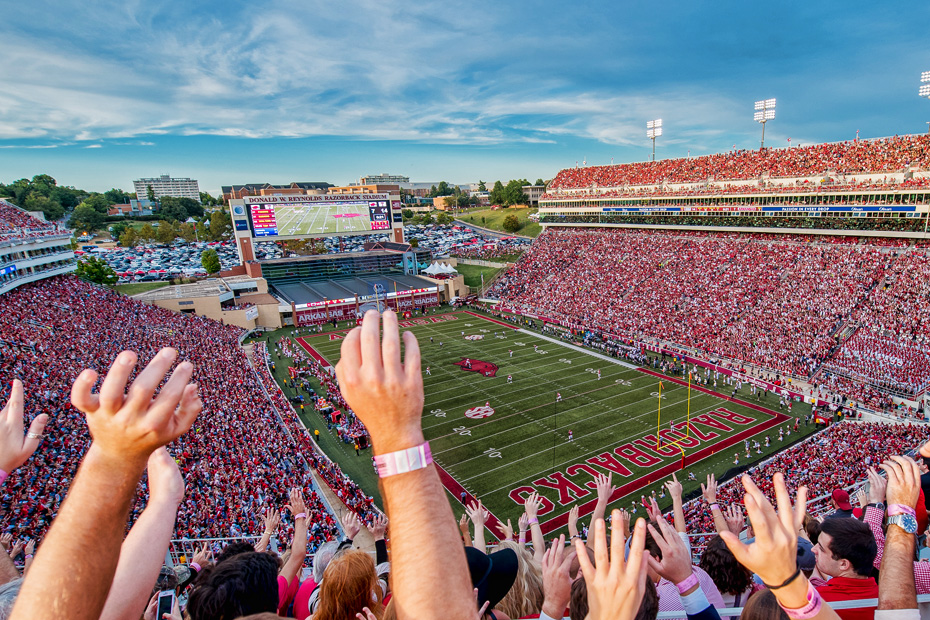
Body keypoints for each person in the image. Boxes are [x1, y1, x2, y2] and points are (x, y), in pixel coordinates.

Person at [810, 517, 878, 620]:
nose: (813, 549)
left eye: (821, 547)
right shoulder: (888, 597)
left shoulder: (816, 600)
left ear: (843, 564)